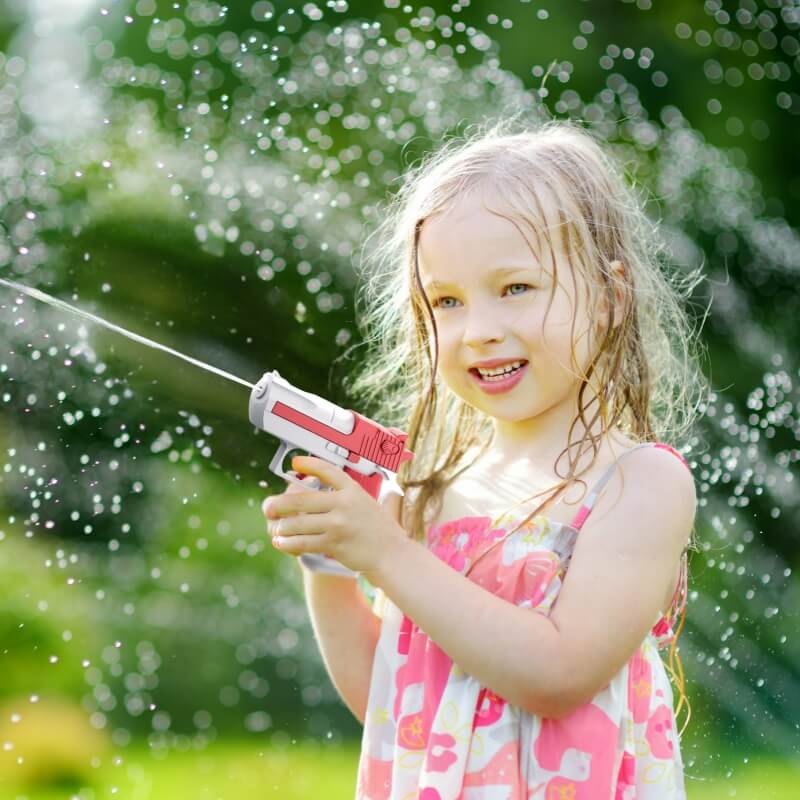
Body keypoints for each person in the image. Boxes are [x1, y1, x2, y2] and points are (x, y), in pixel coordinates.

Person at [262, 115, 709, 798]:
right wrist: (331, 565)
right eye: (446, 301)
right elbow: (393, 700)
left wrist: (387, 554)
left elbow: (559, 676)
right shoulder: (430, 495)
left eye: (516, 288)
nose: (479, 332)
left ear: (611, 296)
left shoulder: (637, 484)